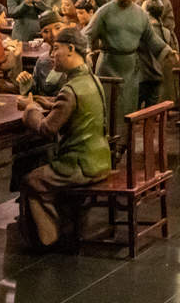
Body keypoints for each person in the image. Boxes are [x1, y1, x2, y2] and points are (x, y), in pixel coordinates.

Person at [17, 27, 112, 249]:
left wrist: (30, 108)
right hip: (101, 159)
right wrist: (46, 102)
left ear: (71, 49)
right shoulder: (92, 80)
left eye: (56, 49)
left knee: (31, 180)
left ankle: (48, 239)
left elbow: (46, 129)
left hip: (78, 166)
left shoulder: (70, 89)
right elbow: (72, 108)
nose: (52, 55)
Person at [84, 0, 173, 117]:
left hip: (131, 69)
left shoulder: (141, 14)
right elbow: (87, 34)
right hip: (108, 66)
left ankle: (126, 141)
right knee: (108, 110)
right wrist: (87, 52)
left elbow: (151, 38)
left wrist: (166, 51)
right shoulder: (104, 11)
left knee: (129, 111)